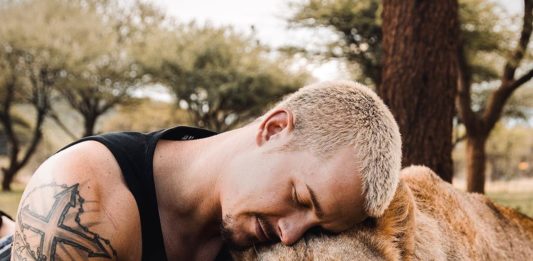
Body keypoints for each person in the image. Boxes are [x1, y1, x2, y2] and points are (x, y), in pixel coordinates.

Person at [10, 80, 401, 260]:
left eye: (316, 229)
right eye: (298, 198)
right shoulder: (83, 199)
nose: (290, 234)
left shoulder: (252, 239)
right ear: (275, 128)